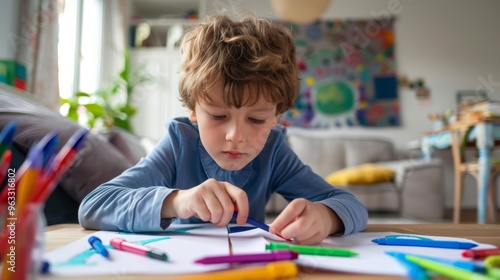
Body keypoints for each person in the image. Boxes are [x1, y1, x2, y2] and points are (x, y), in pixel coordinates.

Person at [79, 13, 368, 245]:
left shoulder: (273, 151)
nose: (235, 135)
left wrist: (327, 216)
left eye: (256, 119)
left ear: (276, 117)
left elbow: (350, 204)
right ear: (192, 110)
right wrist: (178, 201)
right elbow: (94, 206)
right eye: (218, 115)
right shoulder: (179, 143)